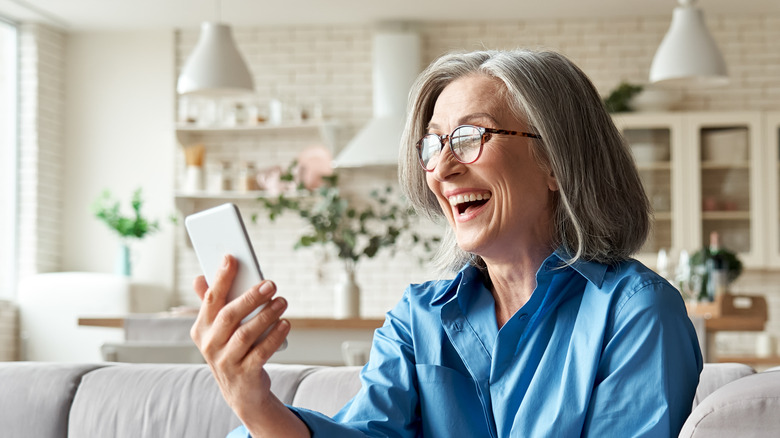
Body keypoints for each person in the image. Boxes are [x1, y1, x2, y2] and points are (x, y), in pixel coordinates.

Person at [190, 49, 703, 437]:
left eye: (469, 137)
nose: (441, 168)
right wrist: (255, 404)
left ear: (555, 160)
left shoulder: (636, 313)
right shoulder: (417, 320)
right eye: (433, 144)